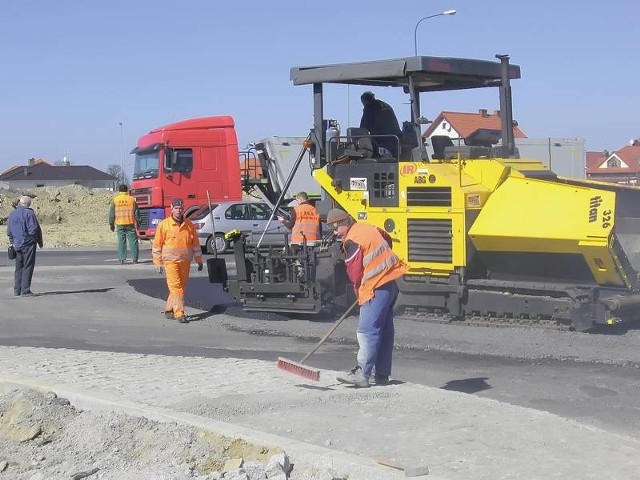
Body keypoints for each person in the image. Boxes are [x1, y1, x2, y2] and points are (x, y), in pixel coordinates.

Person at [327, 208, 408, 388]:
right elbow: (385, 237)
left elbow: (355, 274)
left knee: (367, 331)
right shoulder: (366, 227)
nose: (334, 233)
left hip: (375, 287)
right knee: (385, 332)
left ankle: (362, 374)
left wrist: (359, 291)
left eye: (335, 229)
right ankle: (382, 375)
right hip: (390, 283)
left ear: (342, 224)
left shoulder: (351, 241)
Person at [152, 198, 203, 323]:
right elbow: (157, 246)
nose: (178, 211)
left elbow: (195, 244)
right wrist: (157, 262)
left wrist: (199, 260)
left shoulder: (189, 225)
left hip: (185, 262)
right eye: (176, 208)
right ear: (171, 208)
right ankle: (179, 313)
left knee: (181, 287)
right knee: (176, 287)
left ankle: (169, 309)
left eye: (180, 208)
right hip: (170, 262)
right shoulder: (164, 225)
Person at [7, 195, 43, 297]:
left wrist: (13, 242)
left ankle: (17, 290)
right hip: (27, 244)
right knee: (27, 266)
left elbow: (9, 231)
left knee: (18, 268)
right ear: (29, 203)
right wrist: (35, 241)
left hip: (17, 244)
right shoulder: (29, 213)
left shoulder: (12, 214)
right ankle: (25, 290)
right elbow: (33, 229)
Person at [359, 91, 403, 156]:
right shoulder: (385, 105)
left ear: (365, 101)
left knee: (382, 157)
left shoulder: (370, 107)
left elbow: (363, 126)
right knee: (394, 159)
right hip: (396, 137)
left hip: (382, 138)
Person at [108, 184, 141, 264]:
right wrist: (139, 221)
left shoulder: (115, 200)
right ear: (127, 190)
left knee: (121, 241)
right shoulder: (132, 199)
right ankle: (135, 259)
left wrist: (111, 224)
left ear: (119, 191)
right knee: (133, 241)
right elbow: (136, 212)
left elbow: (111, 214)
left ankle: (122, 259)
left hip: (120, 224)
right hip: (130, 223)